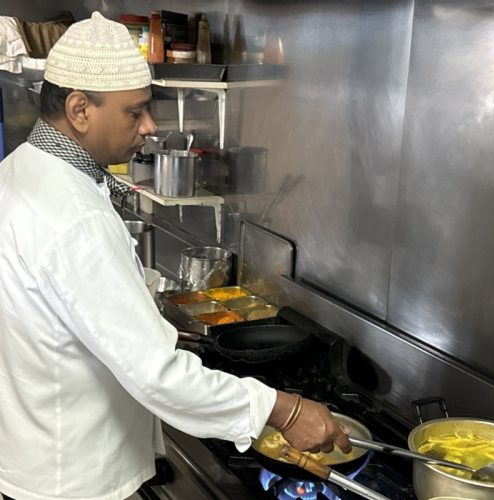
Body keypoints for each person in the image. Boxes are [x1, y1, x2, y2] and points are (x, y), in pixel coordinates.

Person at [0, 12, 351, 500]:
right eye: (135, 112)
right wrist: (285, 410)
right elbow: (156, 375)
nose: (149, 126)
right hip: (75, 480)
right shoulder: (73, 215)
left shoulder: (19, 169)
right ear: (79, 109)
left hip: (34, 453)